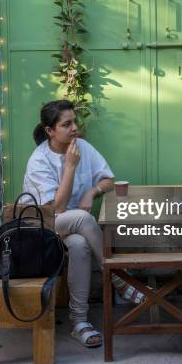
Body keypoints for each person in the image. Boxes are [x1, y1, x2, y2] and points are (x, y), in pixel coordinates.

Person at [23, 100, 144, 348]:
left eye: (74, 122)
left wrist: (92, 192)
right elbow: (56, 210)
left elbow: (109, 179)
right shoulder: (39, 160)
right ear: (50, 131)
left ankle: (79, 322)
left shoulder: (83, 148)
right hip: (44, 226)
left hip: (75, 229)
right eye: (66, 124)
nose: (74, 128)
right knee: (83, 218)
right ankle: (120, 279)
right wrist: (69, 166)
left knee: (79, 245)